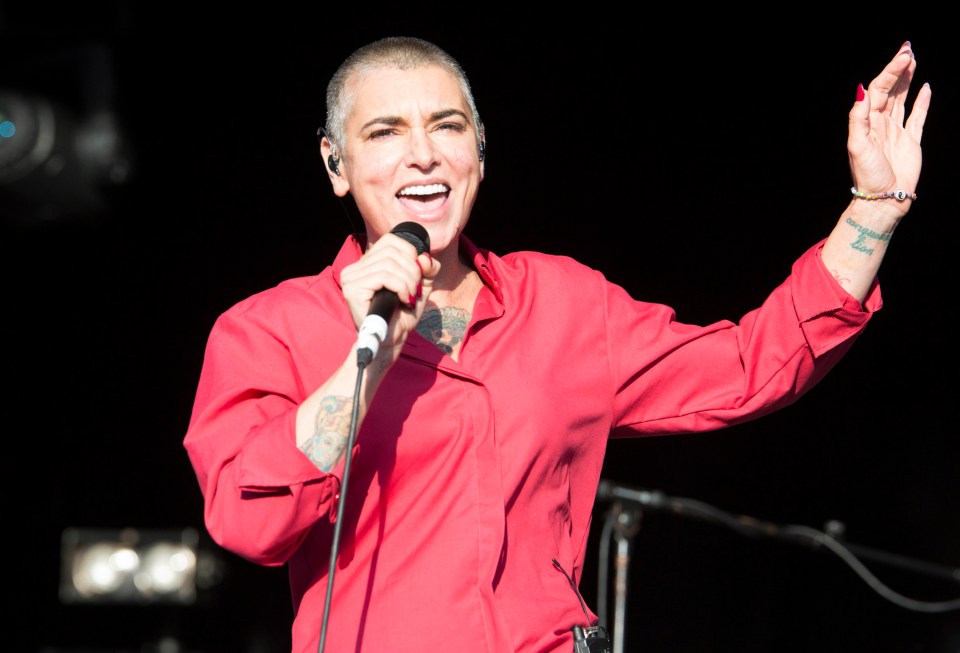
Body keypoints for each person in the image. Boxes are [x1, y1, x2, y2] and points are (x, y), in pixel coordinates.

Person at [182, 36, 930, 653]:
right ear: (335, 165)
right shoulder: (269, 328)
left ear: (480, 147)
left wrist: (875, 207)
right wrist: (365, 359)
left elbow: (747, 366)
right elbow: (251, 524)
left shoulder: (564, 304)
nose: (423, 156)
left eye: (446, 126)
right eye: (384, 133)